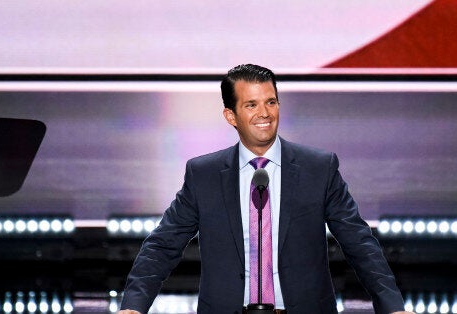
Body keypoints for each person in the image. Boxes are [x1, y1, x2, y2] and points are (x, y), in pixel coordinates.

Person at [118, 64, 412, 314]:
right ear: (231, 116)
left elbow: (359, 242)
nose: (265, 113)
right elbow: (163, 245)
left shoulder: (318, 168)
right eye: (251, 104)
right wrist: (133, 305)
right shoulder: (203, 174)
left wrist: (392, 305)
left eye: (271, 102)